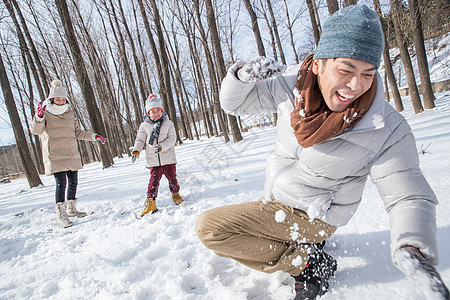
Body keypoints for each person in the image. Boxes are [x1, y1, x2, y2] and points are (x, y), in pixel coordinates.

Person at [196, 5, 448, 300]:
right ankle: (303, 247)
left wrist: (412, 247)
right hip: (279, 199)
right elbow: (234, 106)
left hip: (315, 216)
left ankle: (307, 263)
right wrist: (239, 78)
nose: (356, 85)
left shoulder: (384, 127)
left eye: (368, 73)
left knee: (211, 228)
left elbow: (407, 195)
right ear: (318, 65)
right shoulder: (292, 85)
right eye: (346, 70)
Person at [30, 79, 108, 228]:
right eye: (57, 99)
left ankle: (72, 210)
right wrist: (38, 117)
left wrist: (94, 136)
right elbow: (36, 131)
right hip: (55, 154)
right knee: (61, 183)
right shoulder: (45, 112)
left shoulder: (69, 112)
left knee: (73, 182)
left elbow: (78, 132)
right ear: (51, 99)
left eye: (63, 99)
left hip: (71, 153)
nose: (60, 101)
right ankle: (61, 216)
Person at [131, 94, 184, 216]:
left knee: (172, 179)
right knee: (153, 182)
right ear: (148, 113)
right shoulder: (144, 126)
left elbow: (172, 138)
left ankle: (175, 194)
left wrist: (162, 147)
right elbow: (140, 139)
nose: (156, 113)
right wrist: (136, 150)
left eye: (158, 110)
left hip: (168, 158)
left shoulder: (168, 123)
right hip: (153, 160)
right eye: (152, 111)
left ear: (161, 110)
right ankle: (151, 202)